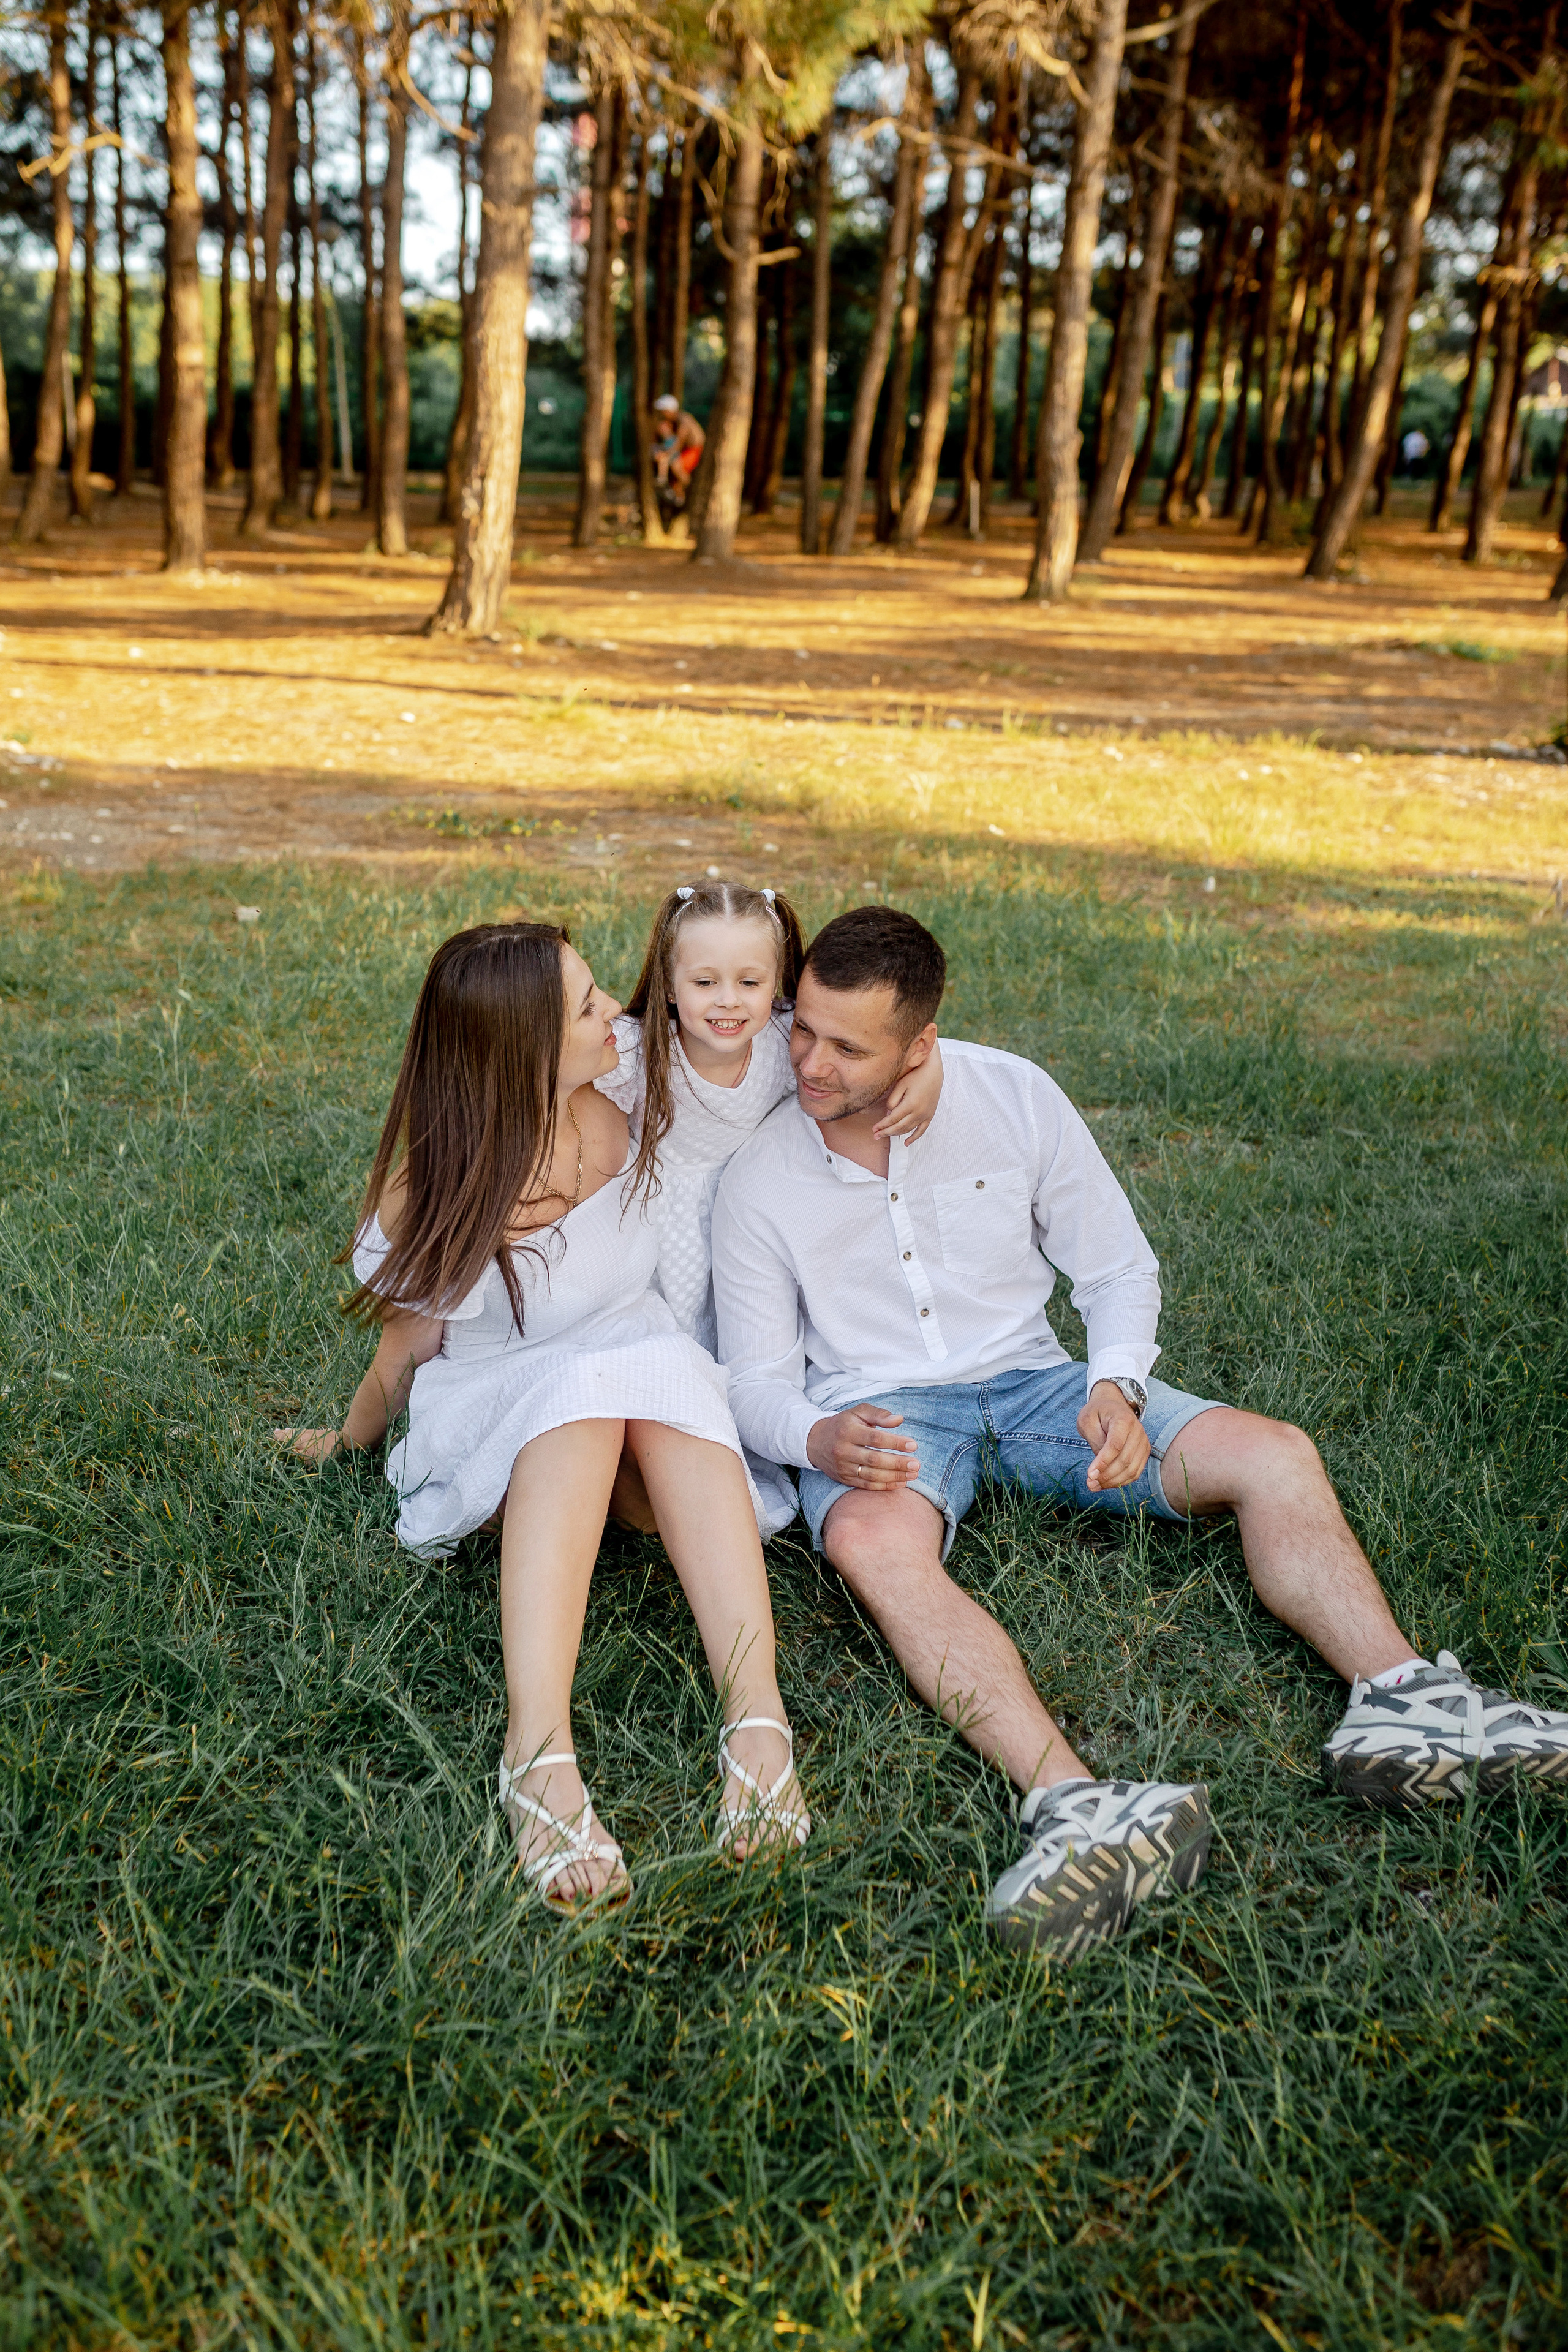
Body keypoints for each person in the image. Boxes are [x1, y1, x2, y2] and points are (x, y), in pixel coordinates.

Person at [710, 905, 1568, 1960]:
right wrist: (819, 1435)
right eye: (803, 1030)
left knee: (1275, 1454)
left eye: (849, 1046)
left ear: (920, 1045)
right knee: (867, 1544)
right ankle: (1079, 1808)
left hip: (1038, 1384)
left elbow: (1117, 1271)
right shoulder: (762, 1174)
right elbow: (752, 1381)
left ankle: (1403, 1702)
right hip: (882, 1412)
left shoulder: (1013, 1095)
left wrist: (1116, 1386)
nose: (808, 1062)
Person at [275, 920, 810, 1910]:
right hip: (504, 1403)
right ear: (522, 1049)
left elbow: (759, 1041)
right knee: (582, 1398)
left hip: (640, 1380)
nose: (618, 1010)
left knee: (658, 1371)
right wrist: (346, 1440)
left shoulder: (613, 1105)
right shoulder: (441, 1185)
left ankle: (758, 1721)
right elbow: (406, 1350)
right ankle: (539, 1754)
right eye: (588, 1004)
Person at [595, 878, 942, 1534]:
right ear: (668, 984)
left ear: (779, 982)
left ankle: (724, 1460)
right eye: (704, 983)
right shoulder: (639, 1052)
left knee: (747, 1349)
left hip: (757, 1216)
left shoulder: (787, 1045)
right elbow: (552, 1063)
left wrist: (932, 1072)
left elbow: (885, 1037)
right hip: (653, 1227)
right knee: (664, 1346)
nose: (728, 1002)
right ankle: (646, 1457)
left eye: (750, 983)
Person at [652, 392, 704, 507]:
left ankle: (692, 493)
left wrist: (665, 455)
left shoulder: (684, 420)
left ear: (670, 411)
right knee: (673, 468)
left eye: (663, 411)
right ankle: (678, 496)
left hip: (694, 449)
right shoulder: (672, 422)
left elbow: (678, 443)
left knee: (677, 467)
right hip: (686, 450)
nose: (662, 414)